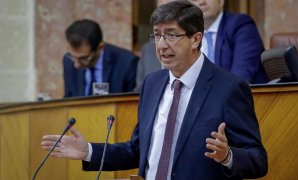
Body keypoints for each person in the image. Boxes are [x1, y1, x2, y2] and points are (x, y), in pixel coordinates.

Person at [42, 1, 268, 179]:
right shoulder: (152, 83)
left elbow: (258, 161)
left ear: (196, 39)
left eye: (171, 34)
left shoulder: (229, 87)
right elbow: (138, 150)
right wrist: (89, 152)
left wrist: (228, 156)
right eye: (157, 35)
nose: (161, 45)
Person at [189, 0, 268, 84]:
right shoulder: (186, 33)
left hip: (244, 95)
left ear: (221, 2)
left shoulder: (240, 24)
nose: (201, 2)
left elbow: (241, 77)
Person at [63, 19, 138, 97]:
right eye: (73, 57)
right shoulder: (68, 61)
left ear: (100, 47)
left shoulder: (127, 63)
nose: (76, 65)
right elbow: (68, 98)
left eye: (84, 58)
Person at [135, 0, 173, 91]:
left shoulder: (194, 44)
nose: (165, 16)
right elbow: (139, 91)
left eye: (171, 10)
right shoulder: (147, 50)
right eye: (161, 11)